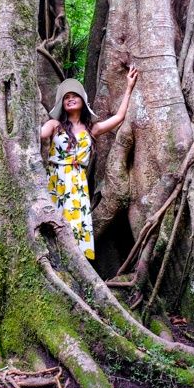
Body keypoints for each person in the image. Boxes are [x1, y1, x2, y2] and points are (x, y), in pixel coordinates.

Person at [40, 67, 138, 259]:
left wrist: (128, 87)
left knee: (75, 223)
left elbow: (118, 118)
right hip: (55, 179)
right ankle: (52, 259)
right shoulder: (54, 125)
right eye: (66, 97)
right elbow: (40, 133)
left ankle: (74, 261)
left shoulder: (91, 129)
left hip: (77, 183)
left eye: (74, 95)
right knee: (54, 220)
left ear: (83, 101)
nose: (69, 98)